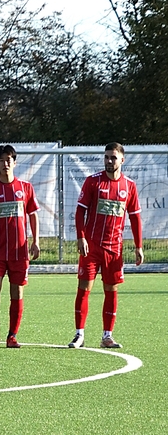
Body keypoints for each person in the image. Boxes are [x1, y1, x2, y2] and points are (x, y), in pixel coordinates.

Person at [69, 142, 143, 349]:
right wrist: (81, 237)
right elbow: (80, 211)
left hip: (114, 248)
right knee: (84, 288)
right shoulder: (93, 182)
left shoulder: (129, 186)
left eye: (113, 157)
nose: (109, 161)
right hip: (91, 247)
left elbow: (135, 217)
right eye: (107, 157)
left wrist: (138, 246)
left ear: (122, 160)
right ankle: (79, 334)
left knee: (111, 290)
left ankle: (107, 336)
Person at [0, 145, 41, 349]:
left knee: (17, 293)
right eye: (1, 160)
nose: (5, 164)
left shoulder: (25, 188)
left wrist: (36, 241)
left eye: (8, 160)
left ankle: (12, 335)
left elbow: (33, 215)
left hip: (19, 252)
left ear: (14, 162)